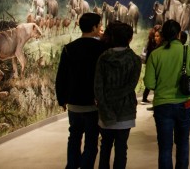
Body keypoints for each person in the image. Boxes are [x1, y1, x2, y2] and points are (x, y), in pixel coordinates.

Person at [143, 19, 190, 169]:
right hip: (186, 104)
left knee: (165, 147)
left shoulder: (155, 55)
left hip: (162, 106)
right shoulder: (188, 51)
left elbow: (149, 84)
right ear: (179, 34)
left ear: (163, 34)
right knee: (183, 143)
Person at [55, 12, 108, 169]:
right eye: (99, 25)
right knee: (91, 141)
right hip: (94, 104)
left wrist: (62, 99)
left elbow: (61, 76)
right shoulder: (103, 49)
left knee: (74, 137)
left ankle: (72, 165)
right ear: (94, 27)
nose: (101, 28)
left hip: (74, 103)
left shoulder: (69, 49)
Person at [94, 22, 142, 169]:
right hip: (126, 110)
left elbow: (98, 86)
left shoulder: (103, 58)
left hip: (105, 108)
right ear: (130, 38)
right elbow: (131, 85)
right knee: (121, 148)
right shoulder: (135, 59)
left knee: (105, 147)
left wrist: (104, 104)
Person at [142, 25, 162, 104]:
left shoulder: (151, 38)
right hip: (153, 62)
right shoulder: (154, 40)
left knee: (151, 80)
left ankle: (145, 98)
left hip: (149, 61)